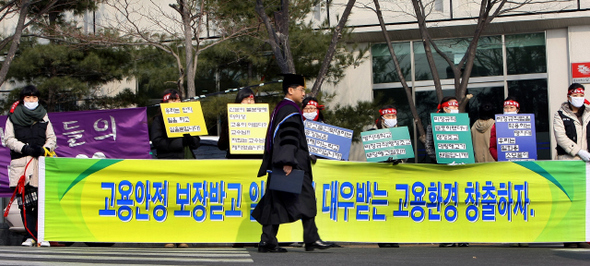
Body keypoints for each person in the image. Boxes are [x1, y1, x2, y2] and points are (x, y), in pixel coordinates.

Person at [251, 74, 333, 253]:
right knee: (306, 198)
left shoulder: (283, 108)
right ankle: (311, 239)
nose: (304, 93)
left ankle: (268, 241)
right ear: (291, 90)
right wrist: (287, 161)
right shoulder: (290, 110)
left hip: (281, 163)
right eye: (301, 90)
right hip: (292, 165)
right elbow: (288, 138)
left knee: (276, 203)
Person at [4, 85, 56, 247]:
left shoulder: (44, 116)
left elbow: (52, 137)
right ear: (23, 99)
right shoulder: (13, 117)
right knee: (26, 204)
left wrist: (45, 149)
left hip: (40, 164)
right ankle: (29, 236)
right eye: (28, 98)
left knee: (42, 202)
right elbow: (9, 139)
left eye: (34, 98)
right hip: (21, 165)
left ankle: (42, 236)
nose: (31, 101)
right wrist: (25, 148)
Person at [149, 89, 200, 248]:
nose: (175, 103)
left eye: (177, 100)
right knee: (169, 201)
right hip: (168, 163)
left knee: (185, 202)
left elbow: (197, 142)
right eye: (171, 100)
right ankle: (169, 237)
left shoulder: (188, 116)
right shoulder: (159, 120)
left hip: (187, 162)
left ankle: (184, 237)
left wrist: (188, 136)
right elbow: (156, 141)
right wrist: (176, 142)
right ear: (164, 103)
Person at [553, 83, 590, 249]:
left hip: (586, 164)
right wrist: (578, 151)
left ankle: (582, 235)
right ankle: (569, 237)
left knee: (583, 202)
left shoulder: (589, 114)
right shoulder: (560, 114)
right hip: (567, 161)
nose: (578, 98)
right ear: (569, 97)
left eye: (581, 95)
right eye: (575, 95)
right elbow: (561, 137)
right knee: (568, 200)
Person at [372, 105, 401, 248]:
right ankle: (382, 237)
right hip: (380, 175)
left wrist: (399, 158)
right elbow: (372, 155)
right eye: (388, 116)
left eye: (393, 116)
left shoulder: (400, 133)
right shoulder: (373, 132)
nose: (391, 119)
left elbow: (405, 154)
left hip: (396, 175)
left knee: (395, 206)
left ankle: (394, 236)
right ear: (382, 118)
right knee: (381, 206)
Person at [218, 88, 262, 159]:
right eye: (245, 99)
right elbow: (221, 145)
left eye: (251, 100)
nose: (249, 102)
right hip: (236, 161)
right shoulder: (229, 120)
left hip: (256, 161)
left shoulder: (262, 119)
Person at [424, 96, 459, 162]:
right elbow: (429, 147)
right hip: (440, 165)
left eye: (457, 107)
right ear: (445, 109)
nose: (456, 109)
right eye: (454, 107)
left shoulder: (461, 125)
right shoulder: (433, 125)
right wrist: (441, 159)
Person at [489, 97, 520, 161]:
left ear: (517, 110)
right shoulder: (497, 125)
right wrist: (499, 158)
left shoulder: (526, 124)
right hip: (504, 162)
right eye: (506, 108)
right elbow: (492, 147)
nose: (508, 110)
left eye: (511, 107)